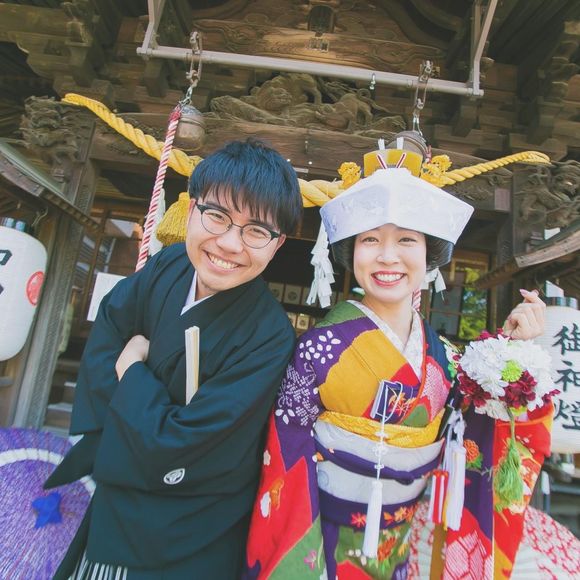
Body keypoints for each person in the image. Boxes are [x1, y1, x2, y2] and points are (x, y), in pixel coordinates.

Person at [244, 138, 552, 579]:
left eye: (406, 240)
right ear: (352, 252)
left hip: (400, 550)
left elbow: (479, 436)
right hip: (321, 547)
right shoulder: (318, 350)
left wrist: (510, 354)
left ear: (429, 255)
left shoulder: (446, 359)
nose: (387, 256)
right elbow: (285, 462)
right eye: (370, 239)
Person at [45, 139, 303, 579]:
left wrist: (132, 372)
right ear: (192, 209)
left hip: (191, 529)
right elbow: (110, 330)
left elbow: (186, 442)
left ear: (277, 244)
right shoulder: (169, 265)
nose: (229, 243)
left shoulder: (270, 337)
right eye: (217, 216)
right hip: (116, 501)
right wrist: (141, 418)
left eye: (256, 231)